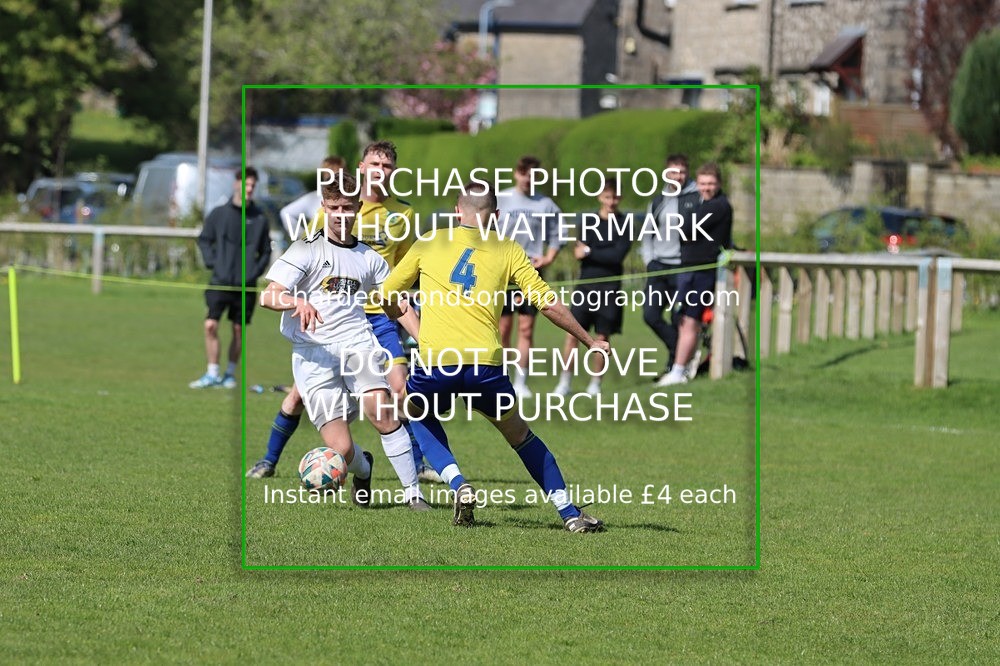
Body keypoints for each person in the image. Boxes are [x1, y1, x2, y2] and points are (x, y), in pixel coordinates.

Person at [380, 183, 608, 533]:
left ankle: (458, 483)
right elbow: (547, 304)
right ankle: (569, 512)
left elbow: (387, 295)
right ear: (497, 215)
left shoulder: (429, 241)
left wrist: (415, 327)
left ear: (457, 211)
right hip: (486, 365)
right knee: (521, 436)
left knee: (412, 410)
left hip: (438, 362)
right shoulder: (508, 249)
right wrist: (589, 341)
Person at [246, 143, 440, 484]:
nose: (381, 169)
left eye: (388, 164)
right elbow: (303, 269)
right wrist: (296, 300)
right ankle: (272, 459)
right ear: (362, 167)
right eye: (375, 163)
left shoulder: (402, 215)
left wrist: (424, 329)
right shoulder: (327, 222)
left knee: (398, 392)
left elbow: (407, 269)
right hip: (322, 328)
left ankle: (416, 475)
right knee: (298, 400)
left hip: (374, 318)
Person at [190, 167, 271, 389]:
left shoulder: (260, 218)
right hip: (220, 281)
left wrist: (254, 272)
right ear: (236, 183)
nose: (249, 188)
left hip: (246, 285)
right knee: (210, 325)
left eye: (253, 185)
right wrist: (214, 263)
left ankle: (229, 374)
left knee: (238, 330)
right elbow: (204, 240)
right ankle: (212, 372)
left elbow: (265, 251)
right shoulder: (218, 214)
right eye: (246, 184)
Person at [554, 176, 633, 397]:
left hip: (610, 288)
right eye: (608, 196)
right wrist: (593, 253)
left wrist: (591, 251)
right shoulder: (588, 221)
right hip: (585, 286)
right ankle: (564, 383)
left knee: (602, 338)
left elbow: (617, 256)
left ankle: (595, 385)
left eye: (615, 196)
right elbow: (579, 253)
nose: (612, 201)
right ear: (600, 197)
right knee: (572, 335)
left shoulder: (625, 223)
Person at [659, 162, 733, 386]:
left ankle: (679, 370)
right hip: (688, 268)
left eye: (711, 183)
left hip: (702, 272)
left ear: (718, 184)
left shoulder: (719, 206)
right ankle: (679, 367)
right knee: (682, 319)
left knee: (691, 320)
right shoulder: (701, 203)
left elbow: (687, 228)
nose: (706, 187)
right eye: (702, 183)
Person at [496, 156, 564, 399]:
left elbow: (558, 233)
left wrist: (549, 257)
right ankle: (502, 380)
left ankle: (521, 381)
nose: (528, 179)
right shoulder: (502, 199)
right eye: (524, 173)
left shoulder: (545, 204)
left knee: (526, 328)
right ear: (517, 173)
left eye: (534, 175)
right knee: (503, 329)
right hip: (503, 273)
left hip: (531, 272)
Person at [641, 153, 699, 384]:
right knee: (650, 315)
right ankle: (681, 353)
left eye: (682, 172)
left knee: (679, 318)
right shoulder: (658, 200)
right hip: (658, 266)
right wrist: (649, 260)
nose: (677, 176)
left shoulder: (696, 198)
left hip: (683, 267)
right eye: (673, 171)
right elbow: (647, 233)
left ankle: (676, 364)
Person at [278, 155, 345, 239]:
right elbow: (286, 213)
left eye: (339, 173)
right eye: (329, 173)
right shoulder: (314, 198)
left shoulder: (351, 197)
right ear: (324, 175)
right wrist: (303, 238)